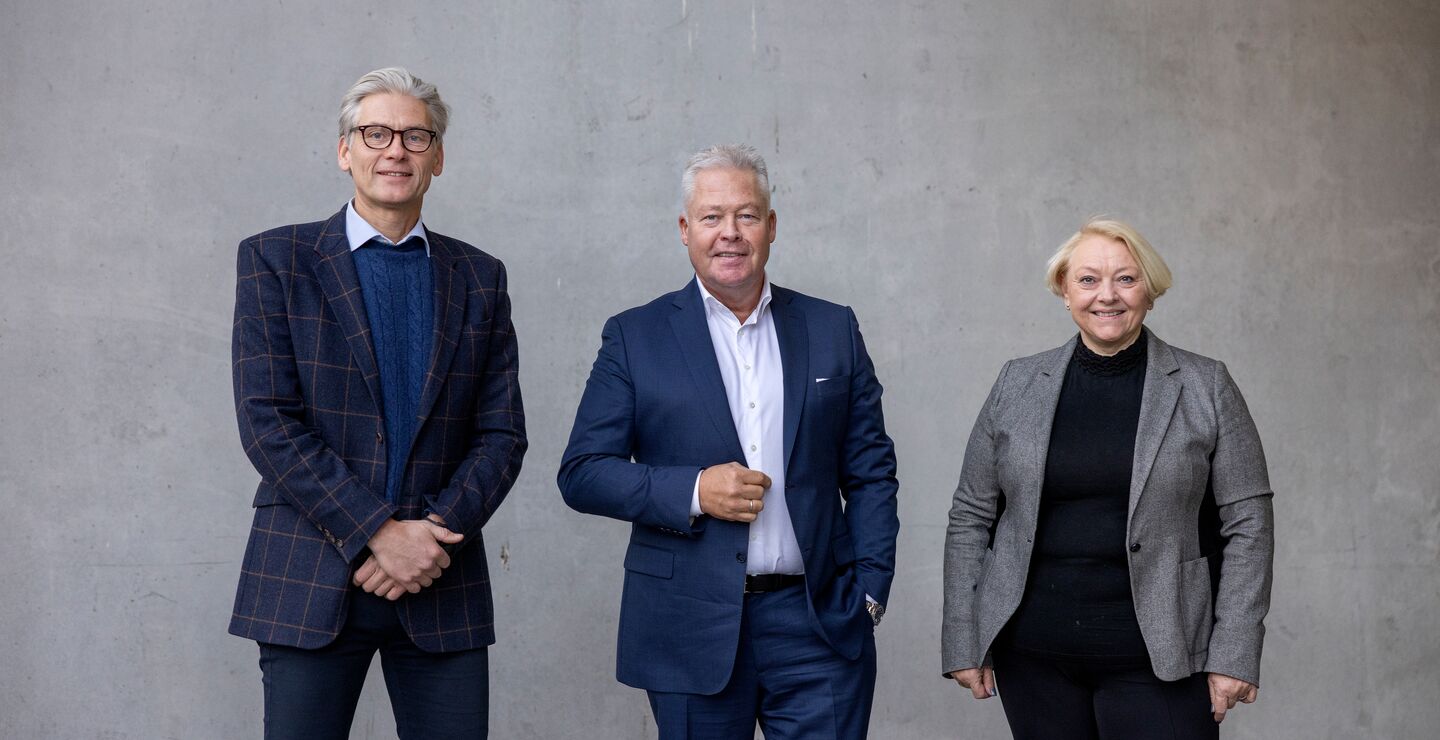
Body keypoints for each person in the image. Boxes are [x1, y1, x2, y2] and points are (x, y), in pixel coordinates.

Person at [558, 144, 899, 739]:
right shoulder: (635, 336)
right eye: (712, 217)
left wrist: (869, 590)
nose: (730, 234)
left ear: (771, 227)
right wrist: (693, 490)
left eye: (746, 216)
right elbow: (583, 471)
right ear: (685, 230)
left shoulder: (831, 328)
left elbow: (870, 470)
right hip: (688, 627)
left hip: (817, 620)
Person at [229, 67, 526, 739]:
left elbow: (501, 433)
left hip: (438, 580)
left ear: (438, 158)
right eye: (376, 133)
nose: (396, 149)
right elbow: (268, 421)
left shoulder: (479, 277)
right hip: (308, 575)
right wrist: (378, 533)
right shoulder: (277, 260)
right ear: (345, 151)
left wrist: (430, 537)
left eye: (416, 136)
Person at [941, 218, 1274, 739]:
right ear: (1064, 291)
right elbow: (970, 516)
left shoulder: (1206, 386)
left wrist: (1234, 651)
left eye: (1126, 279)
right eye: (1089, 279)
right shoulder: (1017, 382)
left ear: (1150, 290)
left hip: (1163, 657)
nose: (1107, 296)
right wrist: (965, 639)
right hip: (1033, 658)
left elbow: (1249, 522)